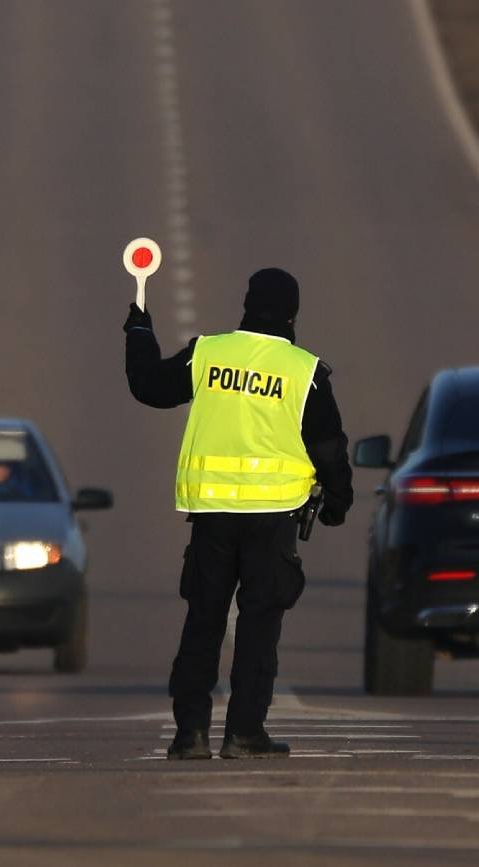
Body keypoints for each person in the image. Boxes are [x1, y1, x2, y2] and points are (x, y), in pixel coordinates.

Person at [125, 267, 353, 760]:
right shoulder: (303, 371)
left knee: (203, 621)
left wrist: (139, 328)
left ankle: (190, 735)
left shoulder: (208, 353)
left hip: (212, 514)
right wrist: (338, 500)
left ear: (246, 305)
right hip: (273, 517)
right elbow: (329, 447)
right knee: (258, 626)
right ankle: (244, 733)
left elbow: (148, 386)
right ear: (293, 313)